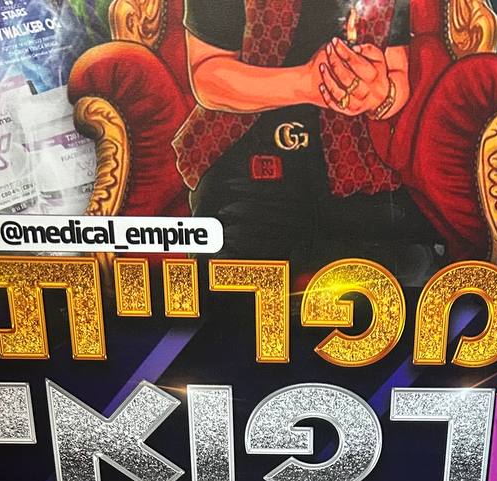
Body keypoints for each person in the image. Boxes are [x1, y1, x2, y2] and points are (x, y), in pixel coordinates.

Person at [174, 0, 443, 281]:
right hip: (249, 170)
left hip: (357, 173)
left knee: (416, 270)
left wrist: (380, 95)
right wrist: (307, 84)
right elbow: (207, 76)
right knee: (225, 288)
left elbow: (397, 74)